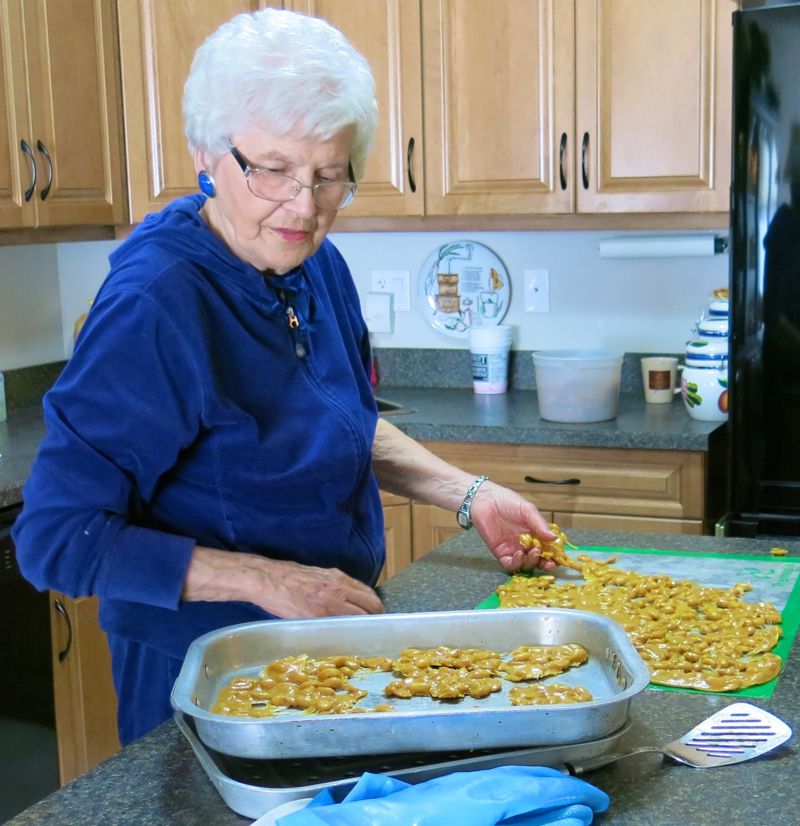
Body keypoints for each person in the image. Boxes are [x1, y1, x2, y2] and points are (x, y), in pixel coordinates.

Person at [13, 8, 556, 746]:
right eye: (272, 170)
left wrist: (469, 494)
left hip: (327, 638)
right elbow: (54, 537)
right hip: (206, 674)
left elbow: (336, 423)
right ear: (207, 154)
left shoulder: (314, 263)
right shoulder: (155, 305)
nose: (303, 206)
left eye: (329, 176)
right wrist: (269, 580)